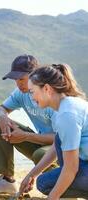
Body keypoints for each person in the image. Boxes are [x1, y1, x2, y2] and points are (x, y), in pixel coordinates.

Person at [0, 55, 57, 194]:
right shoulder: (21, 93)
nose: (18, 84)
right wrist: (3, 116)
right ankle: (6, 181)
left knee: (40, 154)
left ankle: (61, 186)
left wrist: (25, 136)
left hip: (63, 149)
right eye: (15, 79)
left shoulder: (51, 95)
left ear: (35, 76)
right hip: (42, 142)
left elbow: (63, 139)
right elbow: (0, 108)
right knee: (0, 125)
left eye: (22, 79)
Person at [19, 64, 88, 199]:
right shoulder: (68, 105)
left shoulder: (66, 115)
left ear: (46, 89)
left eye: (32, 92)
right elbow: (58, 146)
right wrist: (32, 174)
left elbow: (71, 168)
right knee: (58, 140)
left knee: (45, 184)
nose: (32, 98)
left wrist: (53, 197)